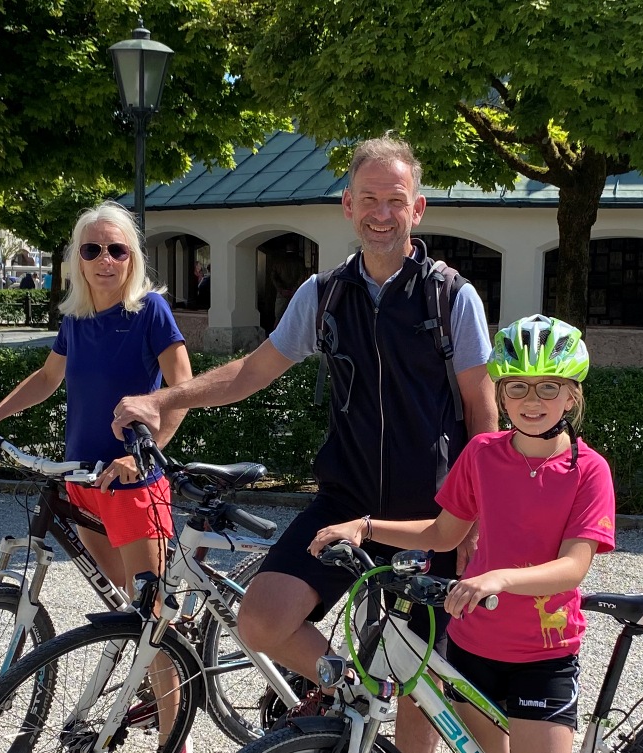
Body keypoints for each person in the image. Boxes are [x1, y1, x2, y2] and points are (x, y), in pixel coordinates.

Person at [112, 136, 498, 753]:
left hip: (430, 513)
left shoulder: (450, 296)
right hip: (344, 503)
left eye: (394, 200)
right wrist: (164, 399)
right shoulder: (324, 294)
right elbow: (250, 372)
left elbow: (484, 413)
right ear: (347, 205)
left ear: (417, 208)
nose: (381, 212)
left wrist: (478, 513)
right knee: (261, 618)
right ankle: (349, 689)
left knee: (416, 673)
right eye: (368, 198)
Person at [309, 315, 613, 753]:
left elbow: (573, 567)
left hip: (544, 654)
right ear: (502, 395)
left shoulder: (587, 470)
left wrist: (500, 578)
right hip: (473, 645)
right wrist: (364, 526)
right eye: (517, 386)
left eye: (548, 386)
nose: (532, 399)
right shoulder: (482, 453)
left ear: (571, 396)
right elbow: (443, 532)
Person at [0, 201, 194, 749]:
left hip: (134, 484)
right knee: (125, 609)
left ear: (132, 257)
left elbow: (182, 390)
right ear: (77, 260)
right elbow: (48, 377)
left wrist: (145, 453)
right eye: (93, 249)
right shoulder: (77, 318)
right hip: (83, 482)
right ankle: (145, 690)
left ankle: (171, 740)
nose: (106, 259)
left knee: (153, 620)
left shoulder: (151, 311)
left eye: (117, 249)